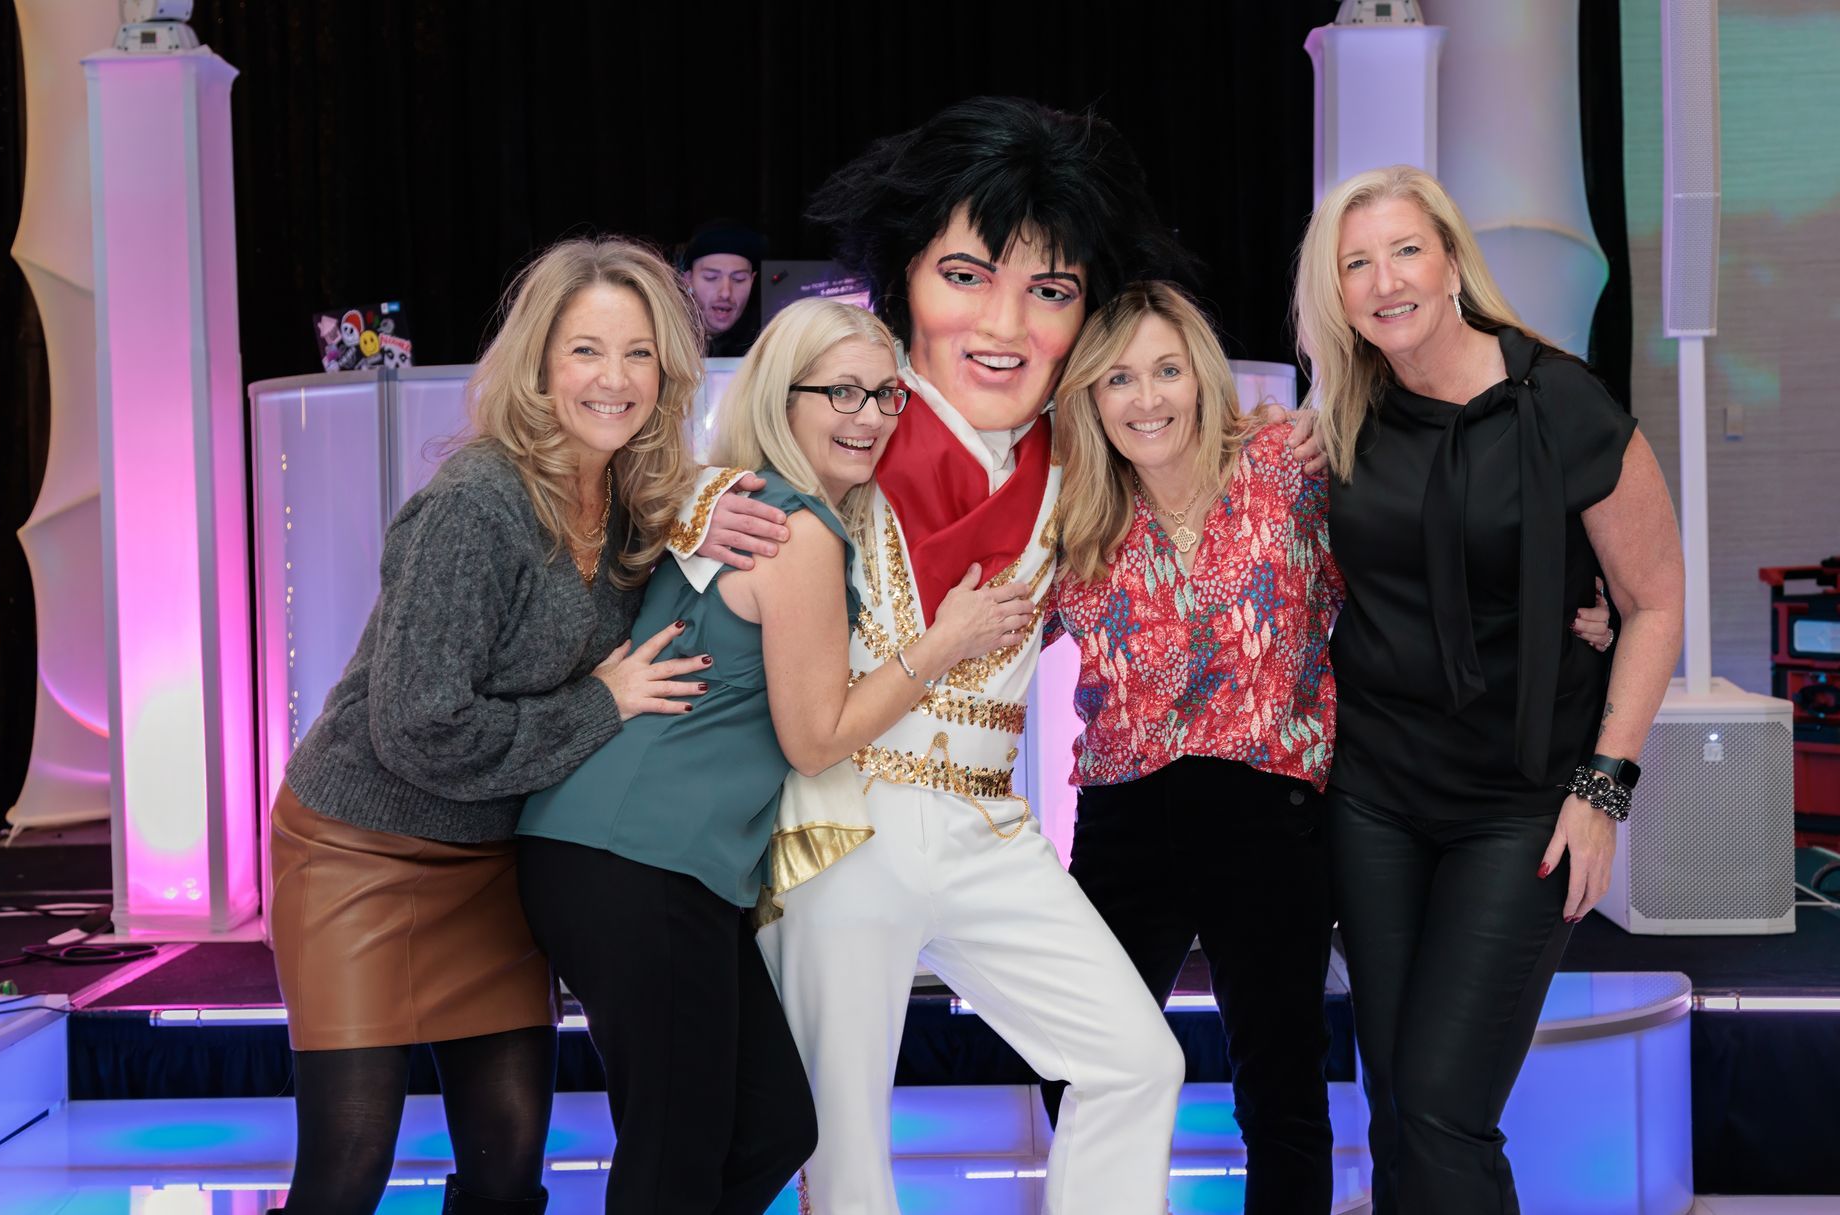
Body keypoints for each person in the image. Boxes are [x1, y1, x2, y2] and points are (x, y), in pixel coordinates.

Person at [670, 96, 1204, 1215]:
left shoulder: (1080, 447)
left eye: (1050, 290)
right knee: (844, 1148)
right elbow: (703, 475)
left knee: (1139, 1062)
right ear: (905, 276)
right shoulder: (847, 413)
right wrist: (693, 512)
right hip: (839, 822)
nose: (1003, 323)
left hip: (987, 829)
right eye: (966, 276)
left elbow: (1198, 468)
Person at [513, 298, 1030, 1215]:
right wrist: (945, 643)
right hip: (637, 857)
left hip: (643, 860)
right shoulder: (793, 528)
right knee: (676, 1158)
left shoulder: (735, 501)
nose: (870, 416)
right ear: (781, 398)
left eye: (887, 395)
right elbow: (816, 737)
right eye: (841, 392)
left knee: (771, 1127)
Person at [266, 236, 715, 1215]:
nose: (614, 379)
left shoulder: (631, 501)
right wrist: (600, 704)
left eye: (638, 353)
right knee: (347, 1171)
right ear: (539, 363)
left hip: (494, 862)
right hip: (360, 850)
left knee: (509, 1167)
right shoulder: (475, 506)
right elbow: (419, 727)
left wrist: (708, 524)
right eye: (586, 350)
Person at [1293, 164, 1684, 1213]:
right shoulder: (1345, 414)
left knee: (1439, 1106)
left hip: (1522, 802)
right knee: (1396, 1109)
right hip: (1374, 797)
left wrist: (1602, 792)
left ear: (1452, 261)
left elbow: (1652, 602)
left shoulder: (1562, 402)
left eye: (1405, 251)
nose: (1385, 281)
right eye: (1356, 264)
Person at [1043, 281, 1345, 1214]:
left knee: (1281, 1087)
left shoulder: (1288, 464)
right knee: (1080, 1067)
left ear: (1202, 374)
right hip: (1125, 817)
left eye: (1167, 370)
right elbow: (973, 625)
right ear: (1090, 396)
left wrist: (1577, 609)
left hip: (1267, 809)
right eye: (1119, 378)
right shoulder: (1073, 512)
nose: (1147, 398)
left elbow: (1415, 555)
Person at [682, 220, 766, 357]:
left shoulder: (766, 340)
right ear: (688, 280)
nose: (726, 293)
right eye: (711, 277)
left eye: (739, 279)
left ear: (752, 280)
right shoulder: (664, 335)